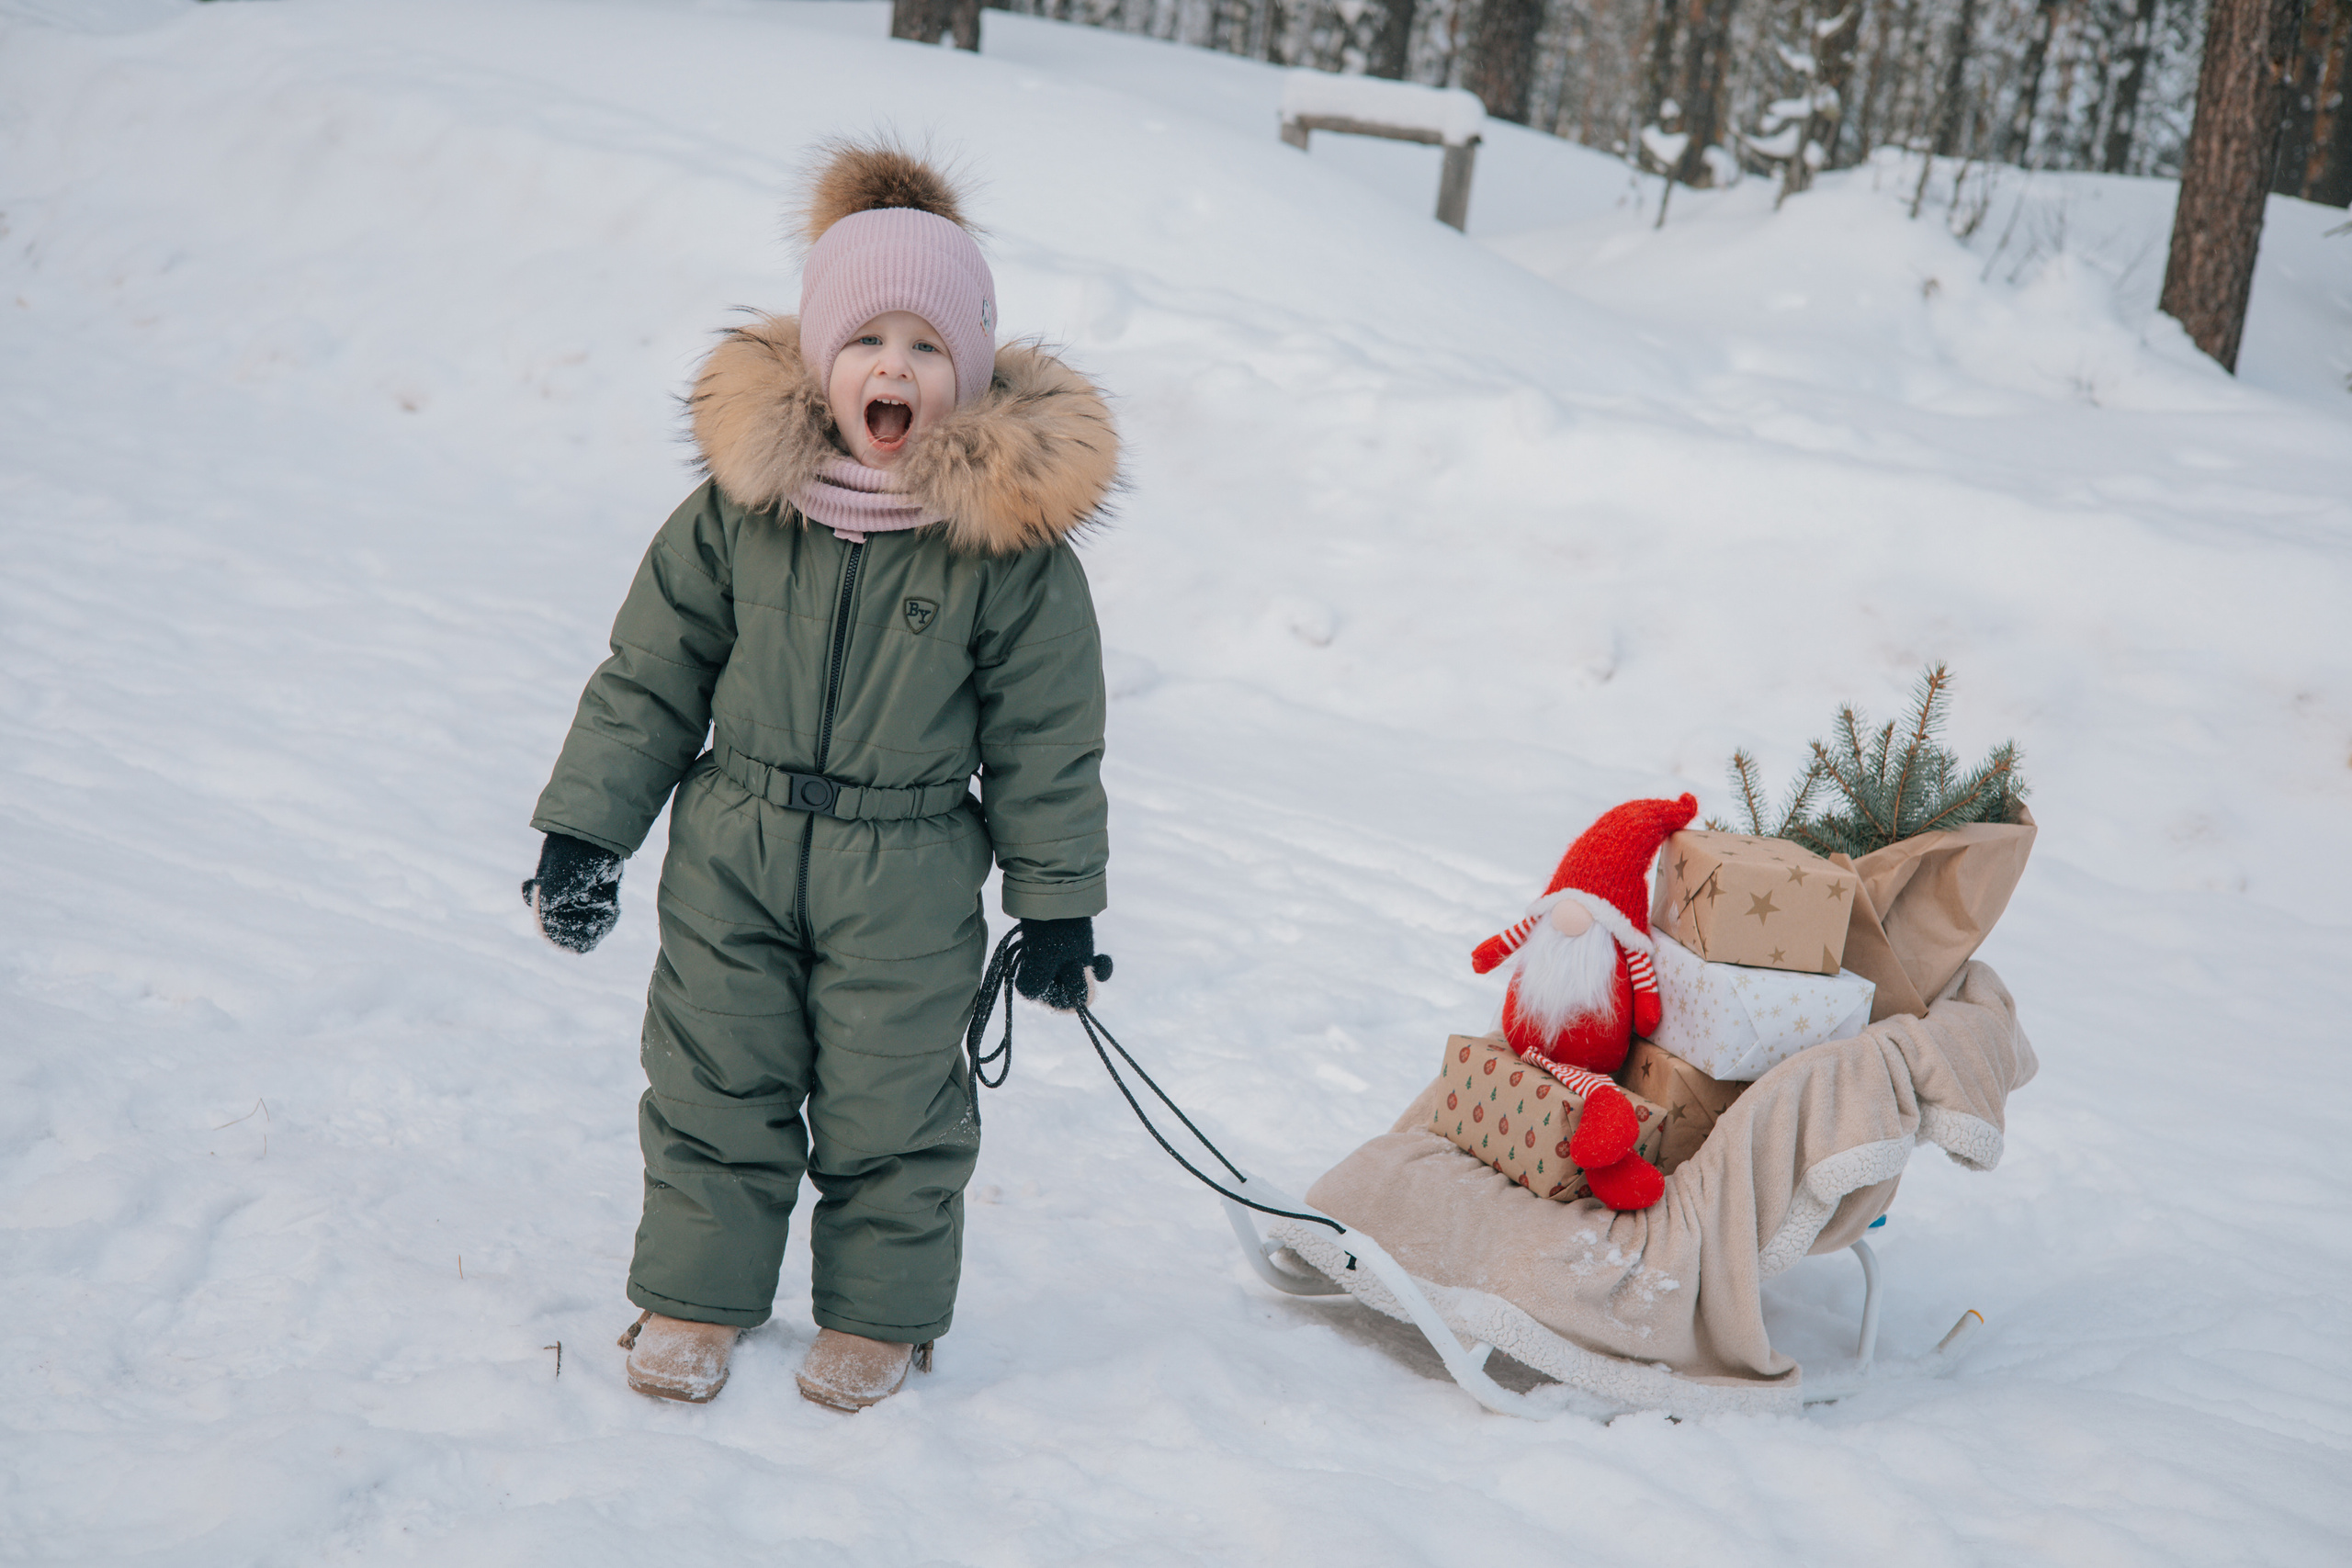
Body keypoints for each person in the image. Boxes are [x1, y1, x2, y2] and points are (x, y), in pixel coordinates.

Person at [521, 142, 1117, 1411]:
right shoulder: (740, 515)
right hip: (732, 843)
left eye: (925, 346)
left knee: (894, 1104)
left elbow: (1047, 738)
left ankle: (880, 1317)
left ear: (965, 373)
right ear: (818, 362)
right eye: (865, 341)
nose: (892, 368)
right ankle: (692, 1294)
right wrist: (588, 833)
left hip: (906, 870)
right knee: (710, 1078)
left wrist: (1056, 902)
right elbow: (649, 678)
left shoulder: (1008, 557)